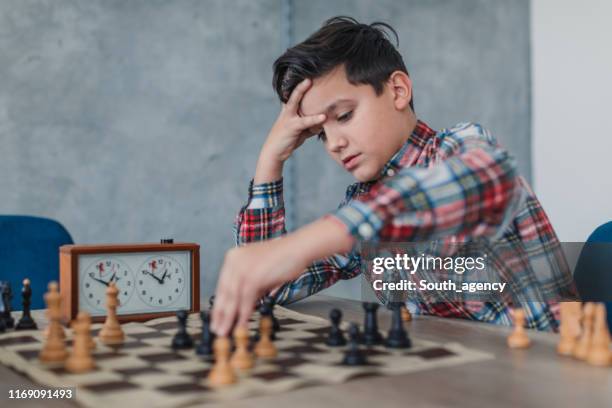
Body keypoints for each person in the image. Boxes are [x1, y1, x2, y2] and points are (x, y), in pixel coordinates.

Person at [211, 16, 575, 337]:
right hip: (454, 380)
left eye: (344, 116)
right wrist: (269, 162)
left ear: (398, 90)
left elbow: (477, 179)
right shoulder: (363, 204)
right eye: (321, 134)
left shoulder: (462, 149)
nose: (335, 143)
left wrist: (312, 239)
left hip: (551, 370)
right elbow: (268, 288)